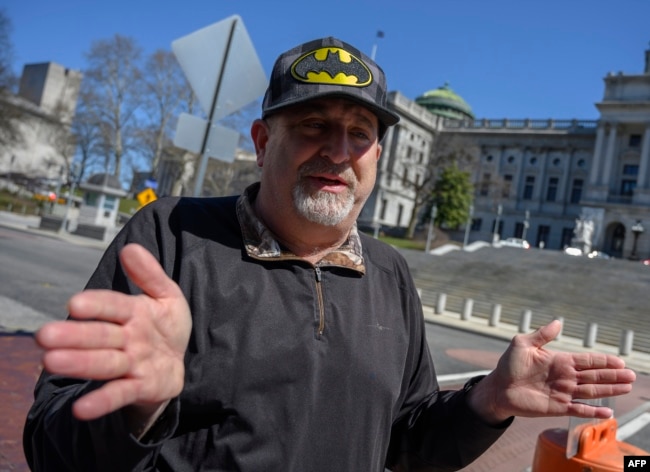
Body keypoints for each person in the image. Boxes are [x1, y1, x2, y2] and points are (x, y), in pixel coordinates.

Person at [23, 36, 636, 471]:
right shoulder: (169, 240)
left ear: (377, 158)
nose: (338, 151)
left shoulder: (389, 272)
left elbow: (409, 442)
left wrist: (489, 399)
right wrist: (138, 404)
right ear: (264, 142)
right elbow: (49, 447)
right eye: (313, 125)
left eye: (360, 134)